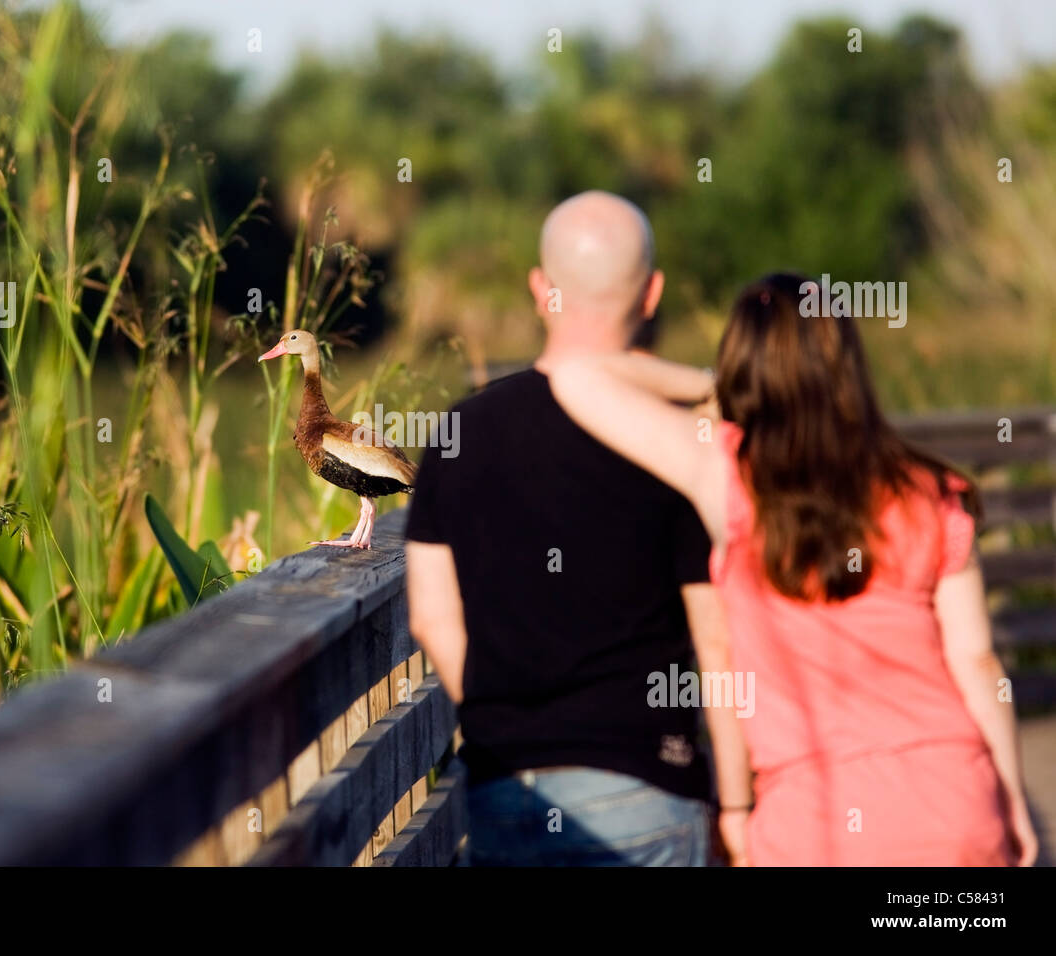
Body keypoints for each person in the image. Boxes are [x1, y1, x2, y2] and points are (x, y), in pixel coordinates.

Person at [546, 271, 1040, 866]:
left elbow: (576, 374)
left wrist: (717, 383)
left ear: (743, 371)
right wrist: (1009, 796)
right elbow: (977, 662)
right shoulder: (930, 491)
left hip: (815, 818)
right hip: (953, 804)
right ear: (848, 368)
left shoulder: (725, 475)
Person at [404, 191, 750, 866]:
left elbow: (431, 618)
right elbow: (715, 633)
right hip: (648, 781)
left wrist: (504, 720)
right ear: (652, 294)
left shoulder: (462, 430)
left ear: (540, 289)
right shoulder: (674, 441)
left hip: (510, 791)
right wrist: (735, 798)